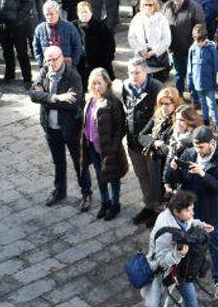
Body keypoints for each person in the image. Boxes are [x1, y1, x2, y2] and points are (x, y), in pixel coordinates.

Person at [140, 190, 218, 307]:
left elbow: (189, 222)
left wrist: (201, 225)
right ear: (176, 211)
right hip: (163, 271)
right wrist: (178, 254)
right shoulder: (165, 229)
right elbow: (162, 260)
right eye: (188, 210)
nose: (192, 213)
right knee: (156, 301)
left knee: (190, 298)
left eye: (192, 209)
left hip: (181, 268)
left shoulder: (179, 216)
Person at [165, 126, 218, 300]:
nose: (198, 151)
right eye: (196, 147)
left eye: (201, 147)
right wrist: (173, 170)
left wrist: (203, 174)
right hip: (191, 214)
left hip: (213, 214)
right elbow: (175, 181)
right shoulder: (188, 154)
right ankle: (188, 287)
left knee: (216, 248)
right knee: (189, 251)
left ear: (211, 143)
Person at [29, 45, 89, 209]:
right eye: (49, 60)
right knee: (58, 161)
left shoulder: (72, 76)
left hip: (70, 128)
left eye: (55, 59)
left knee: (79, 162)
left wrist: (46, 99)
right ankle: (60, 190)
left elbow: (75, 104)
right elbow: (33, 94)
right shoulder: (43, 72)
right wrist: (57, 97)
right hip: (50, 127)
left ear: (62, 57)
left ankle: (86, 193)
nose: (52, 63)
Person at [120, 58, 164, 225]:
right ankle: (149, 206)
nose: (133, 76)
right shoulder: (126, 86)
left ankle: (158, 211)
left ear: (146, 72)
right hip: (133, 143)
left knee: (155, 178)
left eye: (137, 72)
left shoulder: (157, 88)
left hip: (150, 145)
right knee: (141, 176)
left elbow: (162, 117)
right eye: (130, 72)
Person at [80, 68, 127, 221]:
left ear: (107, 83)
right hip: (92, 147)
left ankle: (115, 204)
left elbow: (121, 128)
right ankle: (105, 202)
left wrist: (113, 147)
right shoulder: (91, 100)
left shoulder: (113, 103)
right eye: (93, 83)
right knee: (100, 176)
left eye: (99, 83)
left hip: (109, 149)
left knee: (113, 177)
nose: (96, 86)